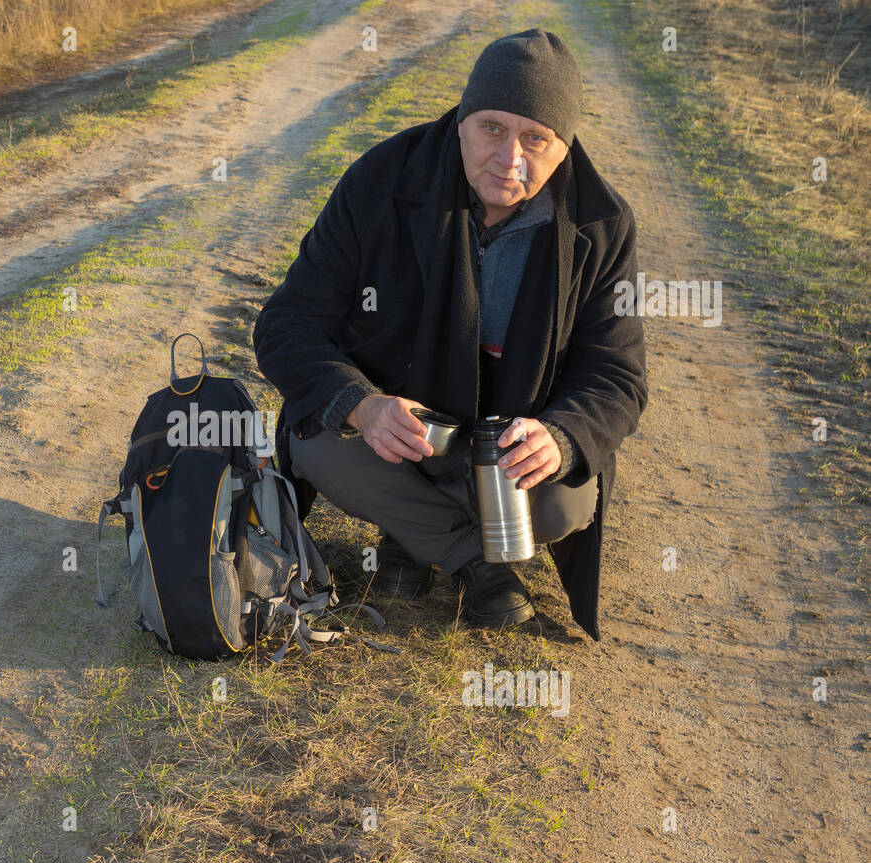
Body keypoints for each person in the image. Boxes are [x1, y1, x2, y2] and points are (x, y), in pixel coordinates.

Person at [253, 29, 648, 637]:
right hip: (396, 440)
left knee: (568, 499)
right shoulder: (381, 181)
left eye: (535, 139)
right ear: (462, 120)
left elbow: (616, 375)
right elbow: (286, 324)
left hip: (503, 454)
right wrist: (362, 405)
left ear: (564, 148)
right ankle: (477, 563)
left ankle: (412, 537)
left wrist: (562, 438)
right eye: (492, 128)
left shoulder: (602, 225)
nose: (509, 158)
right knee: (318, 442)